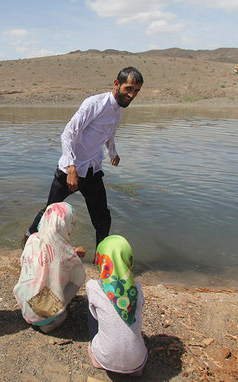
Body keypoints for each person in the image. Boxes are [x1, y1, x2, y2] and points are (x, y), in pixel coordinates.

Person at [23, 67, 144, 253]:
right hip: (69, 171)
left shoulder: (118, 110)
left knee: (103, 217)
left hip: (92, 171)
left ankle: (102, 258)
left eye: (136, 91)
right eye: (128, 89)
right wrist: (71, 166)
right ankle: (27, 242)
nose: (131, 95)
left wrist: (113, 153)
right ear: (116, 84)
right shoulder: (94, 104)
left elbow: (109, 135)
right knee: (49, 212)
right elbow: (68, 134)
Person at [14, 202, 86, 332]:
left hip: (26, 307)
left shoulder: (31, 240)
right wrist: (75, 255)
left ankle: (34, 311)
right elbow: (79, 277)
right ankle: (52, 319)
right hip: (45, 317)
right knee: (79, 275)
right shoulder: (68, 254)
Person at [86, 235, 147, 375]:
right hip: (137, 362)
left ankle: (96, 354)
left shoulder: (93, 287)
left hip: (104, 359)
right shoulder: (137, 288)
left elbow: (94, 314)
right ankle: (132, 367)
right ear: (129, 259)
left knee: (92, 306)